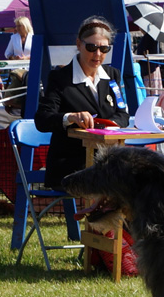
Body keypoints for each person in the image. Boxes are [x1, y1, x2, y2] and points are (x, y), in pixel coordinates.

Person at [35, 16, 129, 188]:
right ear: (78, 44)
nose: (98, 54)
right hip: (71, 165)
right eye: (91, 47)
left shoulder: (113, 75)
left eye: (104, 48)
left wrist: (109, 125)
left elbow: (123, 114)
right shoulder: (59, 78)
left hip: (108, 159)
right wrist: (70, 117)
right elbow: (42, 119)